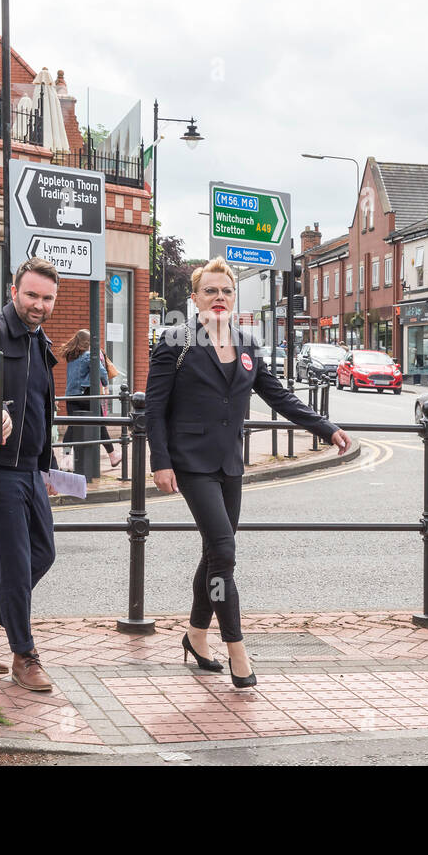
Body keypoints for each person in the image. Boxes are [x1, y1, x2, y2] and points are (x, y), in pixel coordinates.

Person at [146, 257, 351, 689]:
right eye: (211, 291)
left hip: (230, 463)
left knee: (214, 554)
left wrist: (325, 427)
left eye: (226, 292)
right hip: (190, 463)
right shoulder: (174, 341)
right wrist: (160, 462)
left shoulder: (246, 344)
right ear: (196, 297)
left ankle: (196, 635)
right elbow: (155, 409)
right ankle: (236, 648)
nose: (219, 298)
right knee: (224, 551)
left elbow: (278, 396)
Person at [0, 257, 62, 690]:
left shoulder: (40, 341)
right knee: (16, 566)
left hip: (29, 470)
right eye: (31, 295)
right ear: (13, 292)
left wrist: (48, 466)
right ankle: (25, 656)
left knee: (43, 554)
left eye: (47, 298)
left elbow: (41, 408)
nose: (38, 304)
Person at [58, 329, 121, 469]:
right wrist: (105, 384)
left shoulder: (71, 356)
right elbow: (102, 372)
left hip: (72, 396)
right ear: (87, 342)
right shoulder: (88, 355)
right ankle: (112, 455)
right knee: (100, 425)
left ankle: (66, 457)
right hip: (87, 395)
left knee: (72, 426)